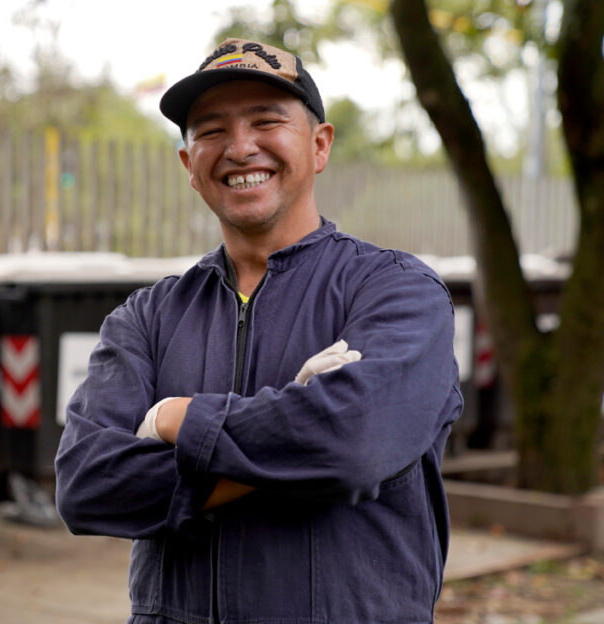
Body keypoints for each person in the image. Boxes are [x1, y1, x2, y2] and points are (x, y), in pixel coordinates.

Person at [54, 37, 462, 624]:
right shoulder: (148, 317)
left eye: (267, 121)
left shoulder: (397, 292)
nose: (240, 148)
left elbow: (355, 443)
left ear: (319, 146)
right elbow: (87, 485)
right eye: (212, 130)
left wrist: (175, 419)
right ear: (189, 166)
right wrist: (299, 430)